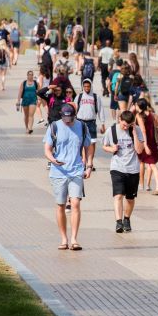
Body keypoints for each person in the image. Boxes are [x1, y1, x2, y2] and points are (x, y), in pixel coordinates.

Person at [44, 103, 95, 251]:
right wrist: (53, 160)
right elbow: (47, 149)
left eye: (70, 118)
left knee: (75, 204)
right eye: (65, 118)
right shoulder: (54, 126)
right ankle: (63, 239)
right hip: (58, 172)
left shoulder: (82, 127)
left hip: (76, 170)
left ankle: (74, 239)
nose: (67, 121)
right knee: (60, 205)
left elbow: (88, 147)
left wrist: (89, 165)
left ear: (74, 115)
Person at [103, 110, 145, 233]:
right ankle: (118, 222)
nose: (125, 127)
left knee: (130, 199)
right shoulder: (112, 130)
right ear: (120, 119)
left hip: (133, 169)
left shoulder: (136, 130)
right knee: (118, 195)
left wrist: (135, 134)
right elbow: (104, 146)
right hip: (117, 168)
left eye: (128, 125)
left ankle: (127, 218)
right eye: (123, 124)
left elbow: (139, 150)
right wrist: (112, 149)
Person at [135, 98, 158, 195]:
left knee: (148, 163)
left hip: (145, 142)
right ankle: (147, 185)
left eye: (136, 105)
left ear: (139, 106)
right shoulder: (152, 114)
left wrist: (145, 145)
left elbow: (143, 131)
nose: (135, 106)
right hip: (152, 142)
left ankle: (156, 186)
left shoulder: (139, 116)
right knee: (151, 163)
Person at [75, 79, 105, 143]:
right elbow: (74, 109)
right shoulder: (79, 96)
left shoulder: (96, 97)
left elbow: (100, 110)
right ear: (83, 87)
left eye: (88, 86)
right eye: (85, 86)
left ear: (91, 86)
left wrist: (102, 124)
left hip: (92, 123)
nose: (86, 88)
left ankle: (90, 154)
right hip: (80, 122)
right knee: (81, 142)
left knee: (92, 142)